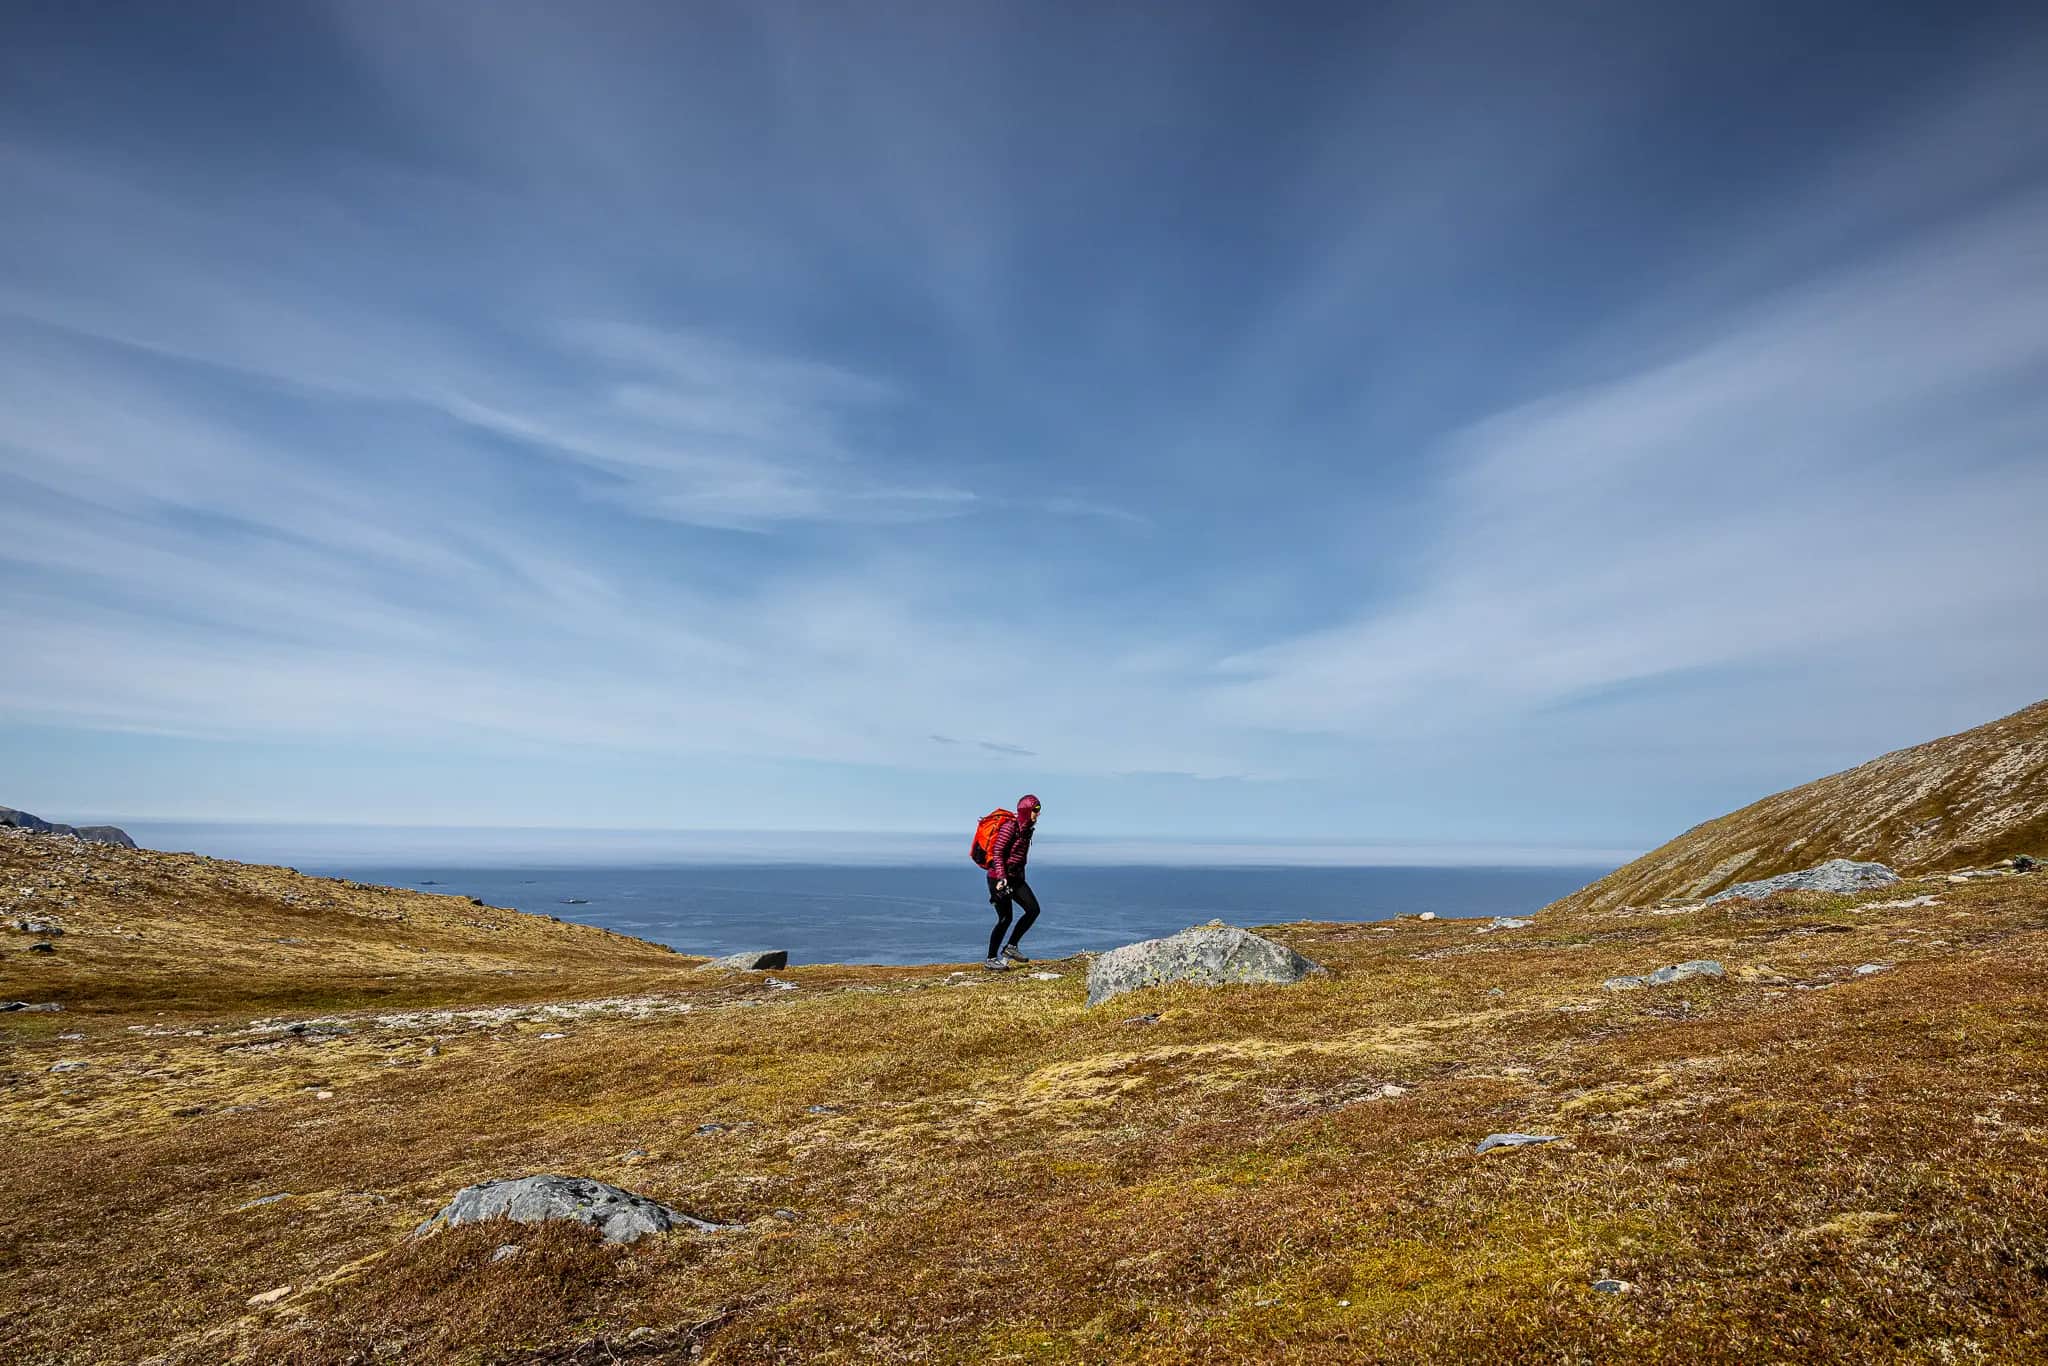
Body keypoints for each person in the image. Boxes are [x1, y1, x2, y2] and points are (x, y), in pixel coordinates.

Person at [983, 794, 1042, 971]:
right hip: (998, 878)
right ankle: (991, 959)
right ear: (1026, 810)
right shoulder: (1010, 827)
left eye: (1038, 811)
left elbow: (1019, 857)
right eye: (1035, 810)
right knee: (1005, 918)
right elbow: (998, 852)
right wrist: (1002, 877)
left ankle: (1011, 947)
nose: (1037, 814)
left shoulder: (1027, 828)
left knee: (1033, 910)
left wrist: (1017, 877)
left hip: (1015, 879)